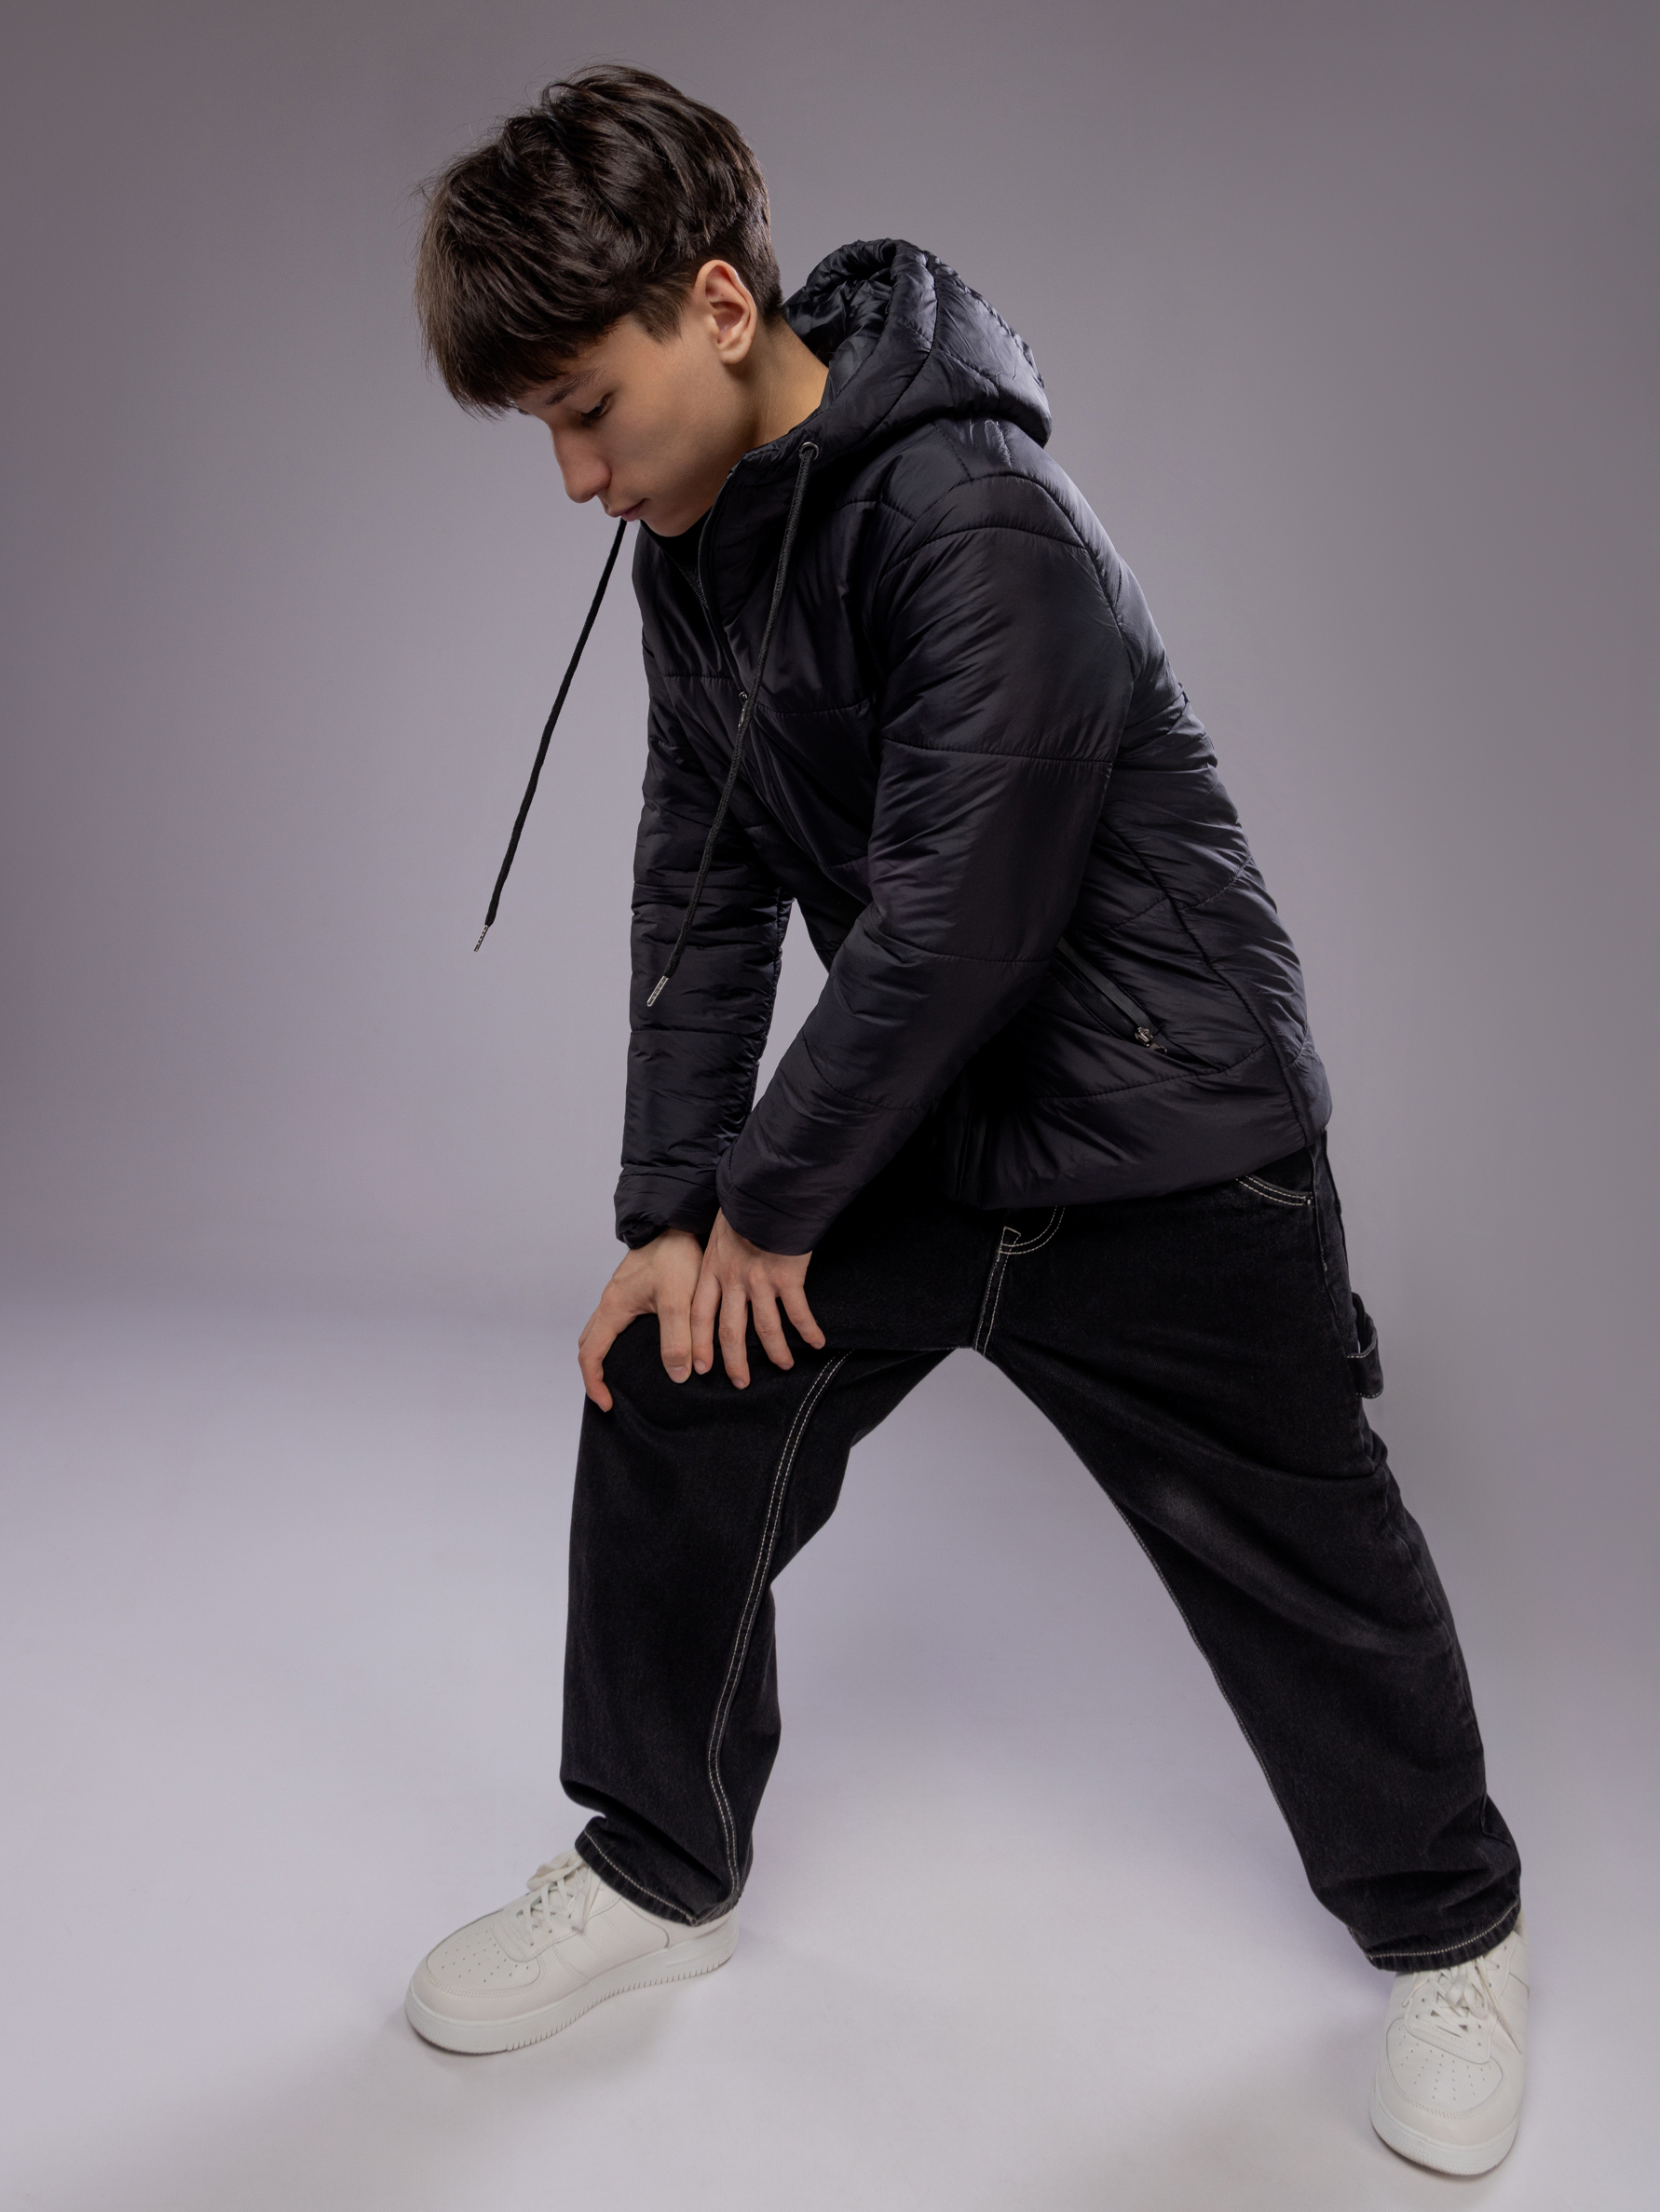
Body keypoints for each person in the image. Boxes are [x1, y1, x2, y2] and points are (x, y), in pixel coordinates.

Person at [405, 64, 1527, 2177]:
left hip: (1175, 1140)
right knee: (670, 1385)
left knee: (1309, 1562)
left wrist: (770, 1202)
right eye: (542, 428)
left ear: (716, 309)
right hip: (928, 1132)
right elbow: (702, 887)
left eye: (585, 409)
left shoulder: (977, 518)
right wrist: (675, 1214)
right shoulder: (693, 553)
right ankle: (656, 1864)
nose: (572, 477)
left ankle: (1456, 1932)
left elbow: (954, 922)